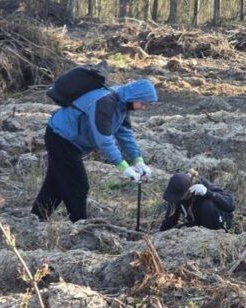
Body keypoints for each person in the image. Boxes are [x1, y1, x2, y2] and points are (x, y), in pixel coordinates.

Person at [32, 78, 158, 222]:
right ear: (134, 97)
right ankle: (79, 226)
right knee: (78, 185)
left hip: (69, 140)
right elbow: (104, 139)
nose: (144, 107)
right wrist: (123, 167)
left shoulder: (122, 104)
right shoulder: (105, 102)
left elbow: (125, 133)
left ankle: (35, 219)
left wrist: (138, 160)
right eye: (143, 103)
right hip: (62, 137)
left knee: (56, 184)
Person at [160, 172, 235, 231]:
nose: (176, 200)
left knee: (208, 205)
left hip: (219, 224)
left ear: (188, 191)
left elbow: (231, 205)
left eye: (178, 197)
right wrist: (160, 234)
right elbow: (170, 219)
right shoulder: (178, 192)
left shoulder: (202, 184)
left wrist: (208, 193)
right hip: (198, 225)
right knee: (178, 231)